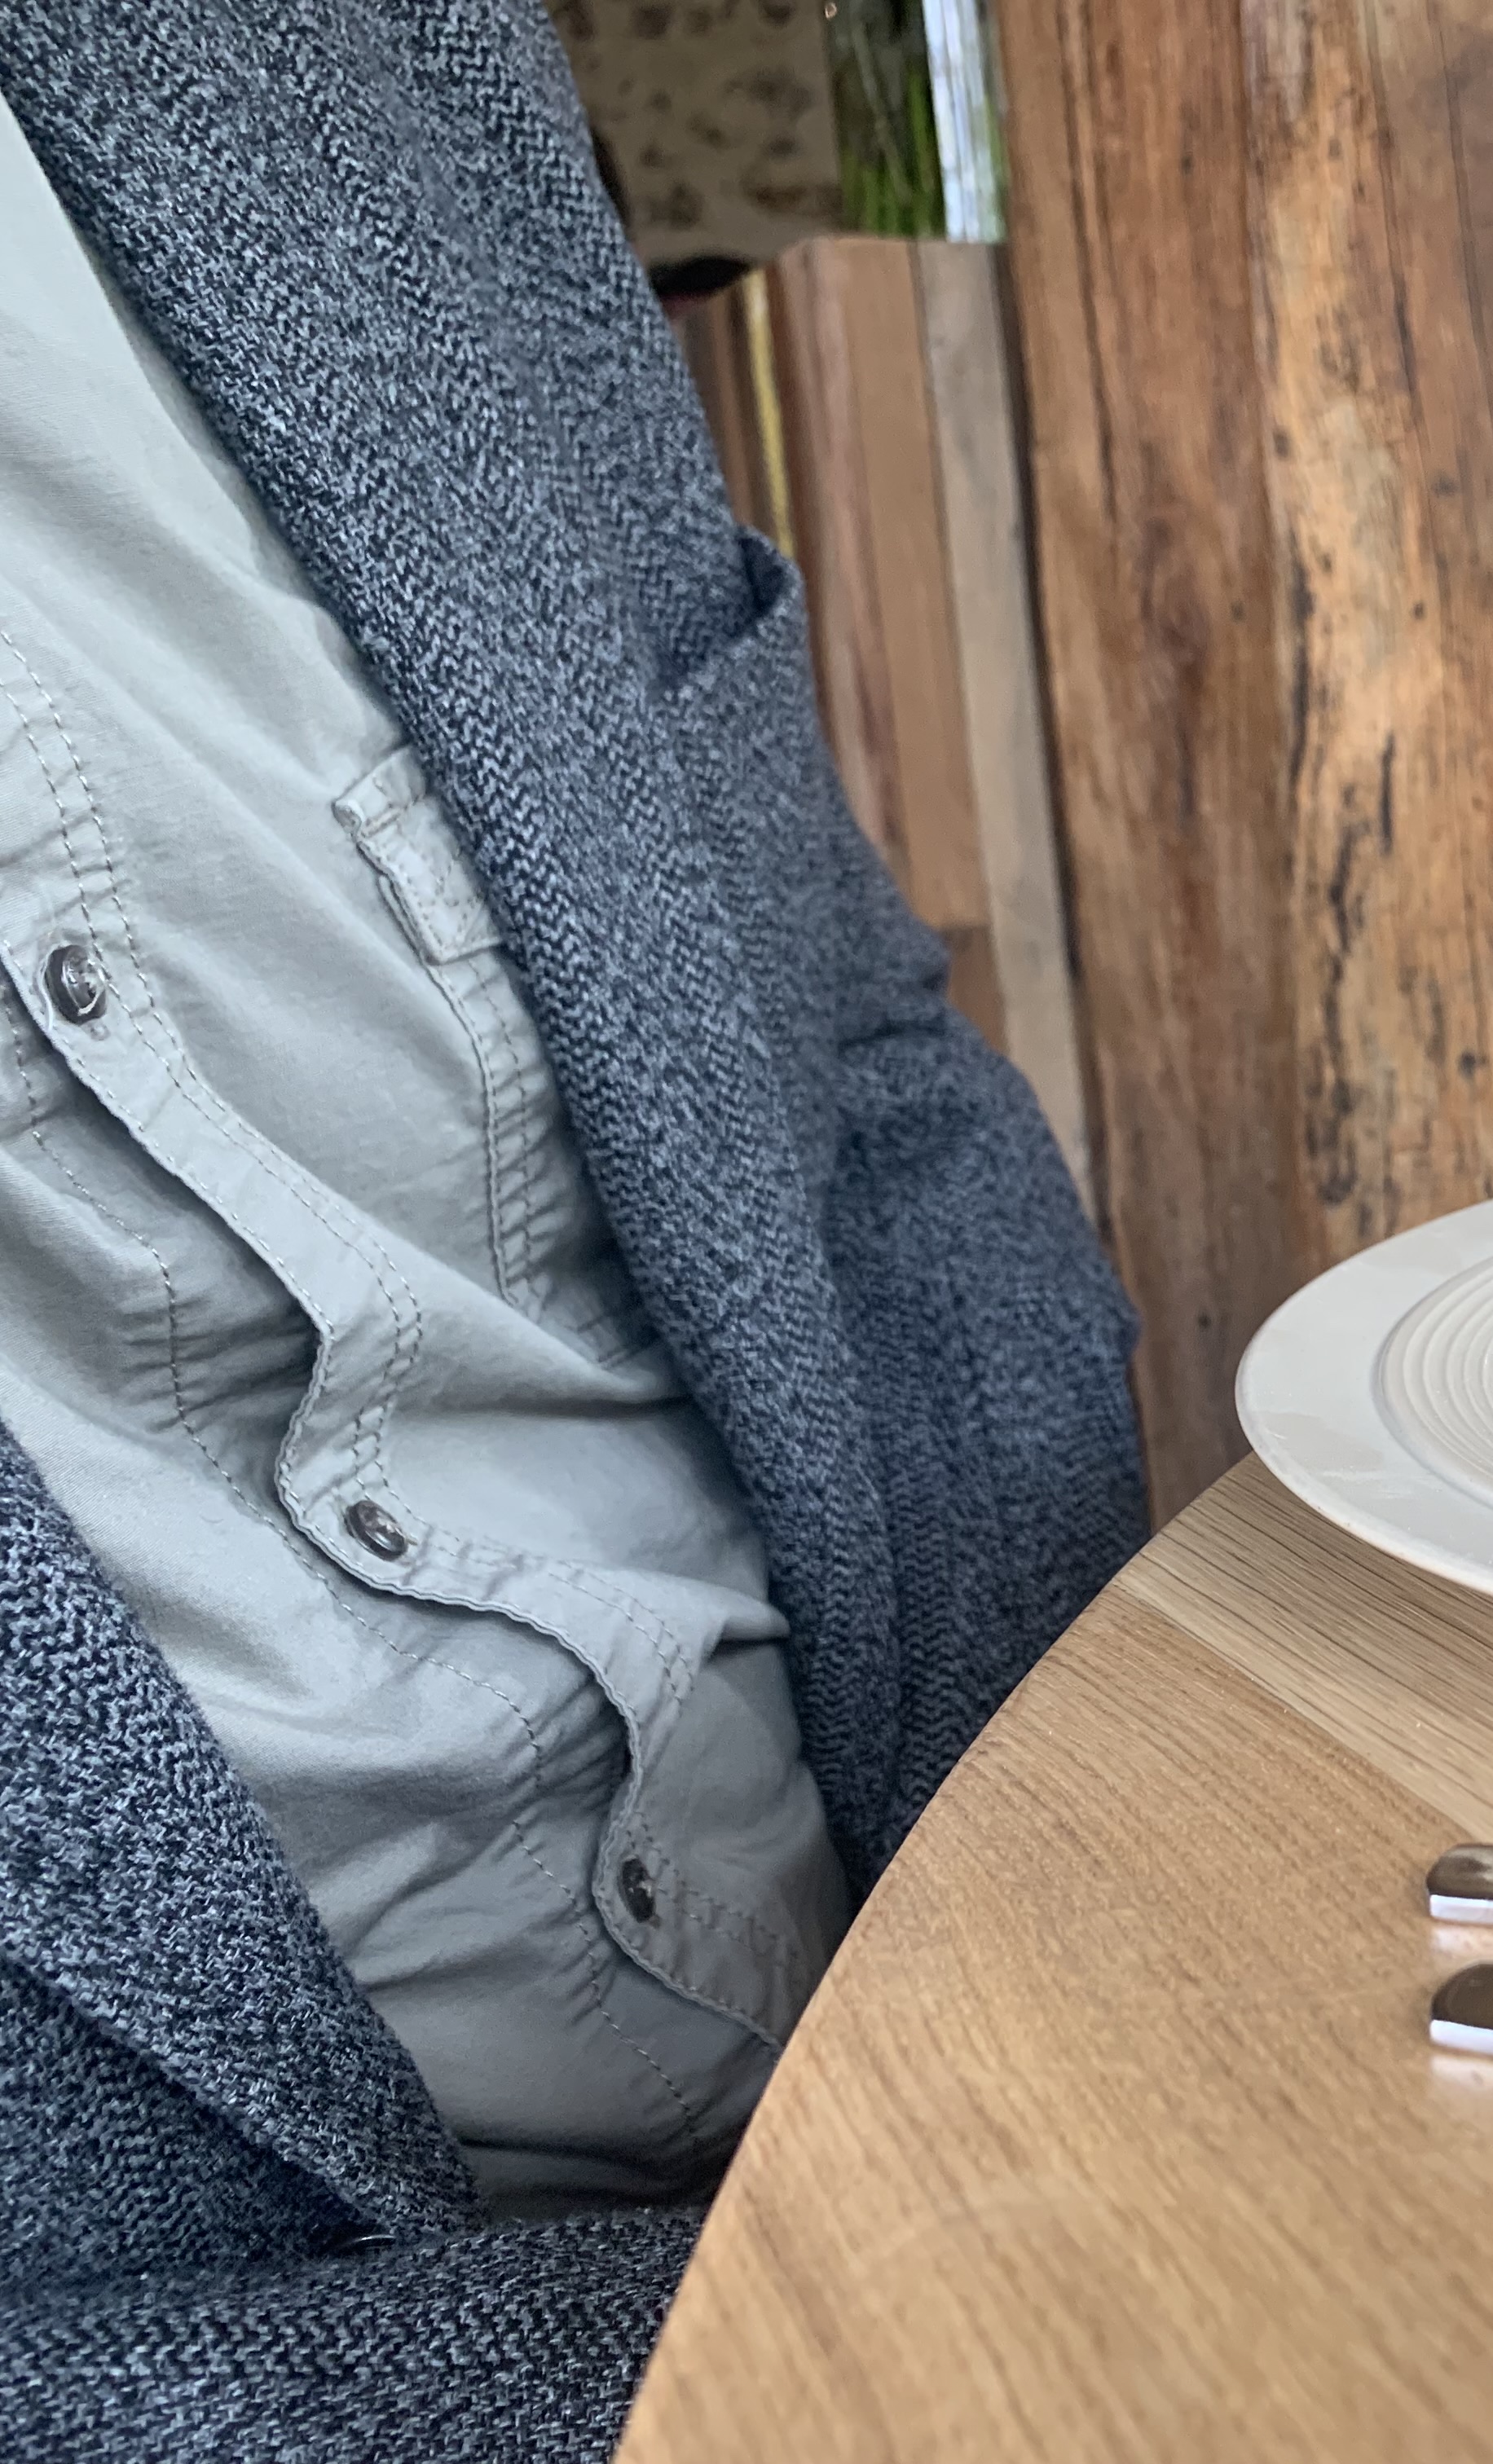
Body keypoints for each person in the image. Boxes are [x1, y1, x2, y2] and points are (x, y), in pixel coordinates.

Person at [0, 7, 1147, 2458]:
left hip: (1012, 1952)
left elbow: (864, 1072)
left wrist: (1072, 1950)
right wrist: (896, 2332)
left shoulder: (347, 57)